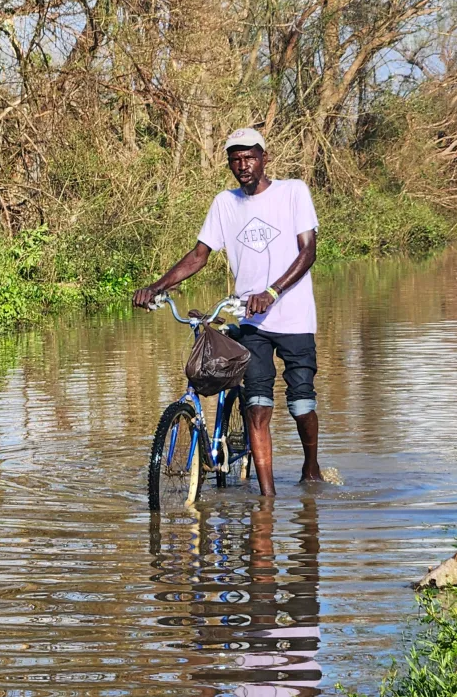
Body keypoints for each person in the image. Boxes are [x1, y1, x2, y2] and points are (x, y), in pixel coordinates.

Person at [133, 127, 324, 496]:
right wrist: (157, 287)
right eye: (235, 159)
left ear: (264, 157)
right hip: (250, 321)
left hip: (295, 318)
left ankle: (311, 465)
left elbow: (308, 251)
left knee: (301, 404)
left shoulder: (293, 192)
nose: (243, 165)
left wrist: (272, 291)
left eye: (249, 156)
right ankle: (267, 498)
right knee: (256, 405)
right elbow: (199, 255)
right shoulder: (225, 203)